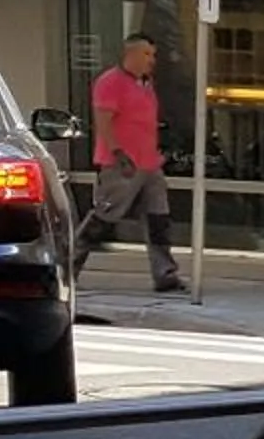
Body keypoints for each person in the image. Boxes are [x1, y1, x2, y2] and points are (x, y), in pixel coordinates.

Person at [72, 31, 183, 293]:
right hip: (122, 164)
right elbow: (103, 121)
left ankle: (165, 274)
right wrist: (117, 153)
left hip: (149, 164)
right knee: (104, 217)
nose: (151, 60)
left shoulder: (145, 84)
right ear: (130, 53)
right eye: (146, 54)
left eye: (153, 55)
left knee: (159, 219)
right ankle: (66, 267)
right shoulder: (110, 82)